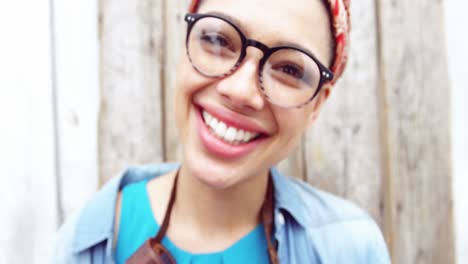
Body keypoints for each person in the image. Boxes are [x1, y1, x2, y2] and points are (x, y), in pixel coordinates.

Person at [53, 0, 391, 263]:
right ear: (186, 45)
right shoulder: (83, 245)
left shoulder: (351, 249)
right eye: (218, 39)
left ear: (317, 104)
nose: (241, 91)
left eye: (289, 68)